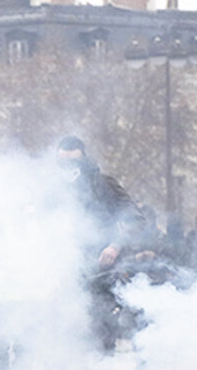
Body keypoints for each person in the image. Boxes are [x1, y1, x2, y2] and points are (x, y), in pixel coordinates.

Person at [56, 135, 146, 351]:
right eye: (63, 162)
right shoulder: (52, 188)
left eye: (73, 162)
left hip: (100, 273)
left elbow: (135, 218)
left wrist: (115, 245)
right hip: (63, 275)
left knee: (98, 333)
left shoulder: (103, 184)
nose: (68, 168)